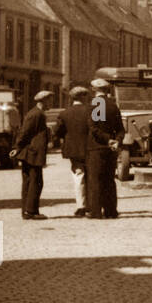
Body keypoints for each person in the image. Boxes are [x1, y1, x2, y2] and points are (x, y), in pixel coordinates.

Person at [10, 90, 53, 220]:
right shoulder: (36, 114)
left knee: (30, 182)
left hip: (31, 152)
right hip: (32, 153)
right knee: (35, 182)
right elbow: (25, 132)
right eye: (49, 100)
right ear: (43, 100)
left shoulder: (37, 113)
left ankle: (27, 211)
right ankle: (31, 211)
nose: (50, 103)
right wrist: (17, 147)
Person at [85, 78, 123, 219]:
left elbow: (94, 128)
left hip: (97, 147)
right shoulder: (113, 105)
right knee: (109, 180)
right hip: (111, 149)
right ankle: (110, 211)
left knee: (95, 180)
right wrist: (116, 141)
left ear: (94, 90)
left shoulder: (97, 104)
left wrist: (108, 139)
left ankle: (95, 211)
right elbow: (120, 129)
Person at [54, 85, 91, 217]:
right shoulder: (91, 111)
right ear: (83, 97)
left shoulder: (64, 113)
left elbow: (57, 132)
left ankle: (81, 205)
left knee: (78, 176)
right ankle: (92, 205)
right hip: (90, 148)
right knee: (91, 176)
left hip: (73, 151)